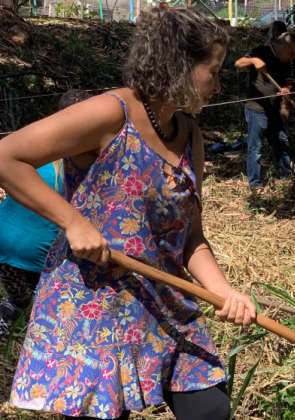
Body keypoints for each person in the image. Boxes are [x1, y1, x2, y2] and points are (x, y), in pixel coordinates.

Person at [0, 7, 256, 420]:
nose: (219, 84)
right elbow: (7, 156)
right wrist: (74, 222)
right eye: (214, 70)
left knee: (210, 408)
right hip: (94, 304)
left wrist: (225, 291)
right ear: (179, 65)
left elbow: (191, 236)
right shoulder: (110, 113)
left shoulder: (189, 135)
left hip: (163, 296)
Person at [0, 89, 91, 343]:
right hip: (38, 257)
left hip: (2, 241)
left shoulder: (32, 152)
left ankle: (13, 307)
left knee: (17, 297)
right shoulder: (81, 169)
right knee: (53, 306)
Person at [235, 33, 295, 191]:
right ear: (285, 47)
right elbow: (239, 63)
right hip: (256, 110)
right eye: (292, 53)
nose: (293, 57)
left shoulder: (285, 63)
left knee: (281, 142)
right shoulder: (261, 52)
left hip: (274, 111)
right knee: (255, 147)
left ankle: (286, 175)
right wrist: (254, 60)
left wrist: (287, 89)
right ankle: (255, 184)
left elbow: (289, 82)